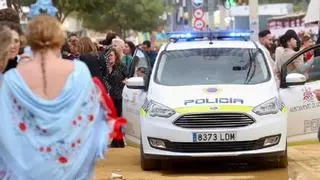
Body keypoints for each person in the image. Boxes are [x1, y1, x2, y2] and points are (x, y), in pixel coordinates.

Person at [0, 15, 108, 179]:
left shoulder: (12, 78)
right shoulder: (79, 72)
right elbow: (91, 117)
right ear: (59, 38)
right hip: (70, 168)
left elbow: (6, 127)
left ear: (29, 39)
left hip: (27, 168)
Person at [106, 48, 128, 117]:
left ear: (115, 56)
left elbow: (127, 78)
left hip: (119, 97)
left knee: (118, 117)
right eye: (108, 56)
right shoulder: (104, 68)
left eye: (111, 55)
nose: (109, 57)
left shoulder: (121, 66)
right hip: (108, 98)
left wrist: (125, 82)